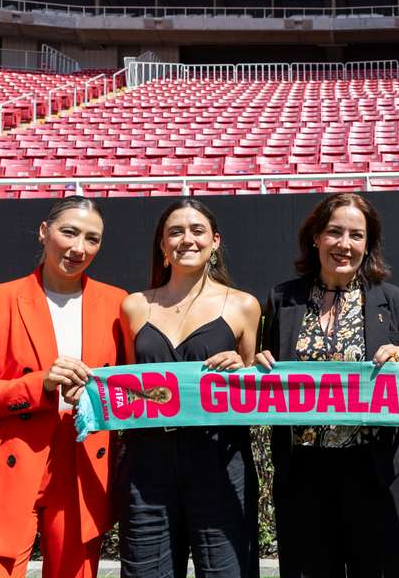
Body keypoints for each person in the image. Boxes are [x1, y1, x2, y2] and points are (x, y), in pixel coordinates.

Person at [0, 196, 126, 578]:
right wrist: (40, 384)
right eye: (69, 232)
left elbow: (130, 389)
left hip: (81, 464)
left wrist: (95, 397)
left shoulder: (118, 303)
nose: (79, 248)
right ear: (44, 232)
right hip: (4, 463)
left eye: (92, 239)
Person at [255, 193, 399, 578]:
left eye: (356, 235)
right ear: (315, 238)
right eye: (334, 232)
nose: (344, 244)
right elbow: (270, 371)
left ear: (368, 243)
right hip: (304, 472)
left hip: (375, 469)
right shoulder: (282, 299)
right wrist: (260, 364)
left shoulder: (393, 301)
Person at [118, 198, 261, 578]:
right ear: (162, 246)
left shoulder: (244, 306)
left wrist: (242, 369)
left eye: (197, 231)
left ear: (215, 241)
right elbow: (127, 389)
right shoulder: (133, 307)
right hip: (147, 466)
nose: (187, 239)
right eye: (175, 232)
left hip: (220, 461)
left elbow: (255, 393)